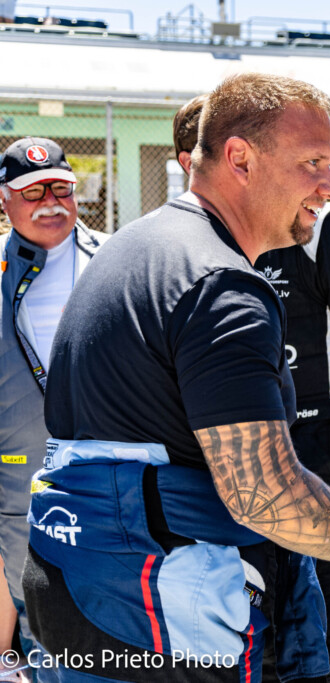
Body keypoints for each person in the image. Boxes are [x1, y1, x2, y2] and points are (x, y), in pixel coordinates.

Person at [22, 73, 330, 682]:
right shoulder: (223, 288)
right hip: (156, 618)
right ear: (239, 157)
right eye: (313, 163)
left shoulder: (136, 247)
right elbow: (264, 496)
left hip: (85, 593)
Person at [172, 94, 330, 683]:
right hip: (223, 440)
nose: (324, 185)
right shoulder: (179, 242)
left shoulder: (317, 228)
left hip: (314, 434)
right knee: (237, 590)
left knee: (319, 591)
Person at [0, 136, 107, 679]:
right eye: (32, 191)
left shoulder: (114, 260)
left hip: (108, 478)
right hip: (20, 483)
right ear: (4, 200)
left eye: (62, 188)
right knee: (34, 628)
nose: (51, 202)